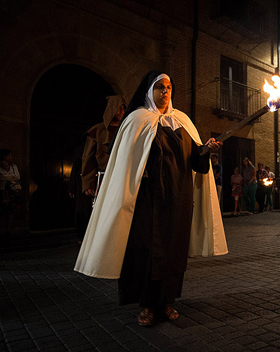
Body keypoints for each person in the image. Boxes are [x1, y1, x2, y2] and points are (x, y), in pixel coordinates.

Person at [74, 70, 228, 326]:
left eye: (168, 88)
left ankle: (166, 302)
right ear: (149, 92)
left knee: (173, 253)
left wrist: (207, 150)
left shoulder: (183, 122)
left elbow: (195, 162)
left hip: (177, 199)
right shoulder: (137, 120)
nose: (165, 92)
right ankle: (146, 304)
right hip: (146, 200)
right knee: (146, 251)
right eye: (159, 88)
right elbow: (126, 163)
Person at [82, 95, 126, 198]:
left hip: (124, 179)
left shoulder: (126, 129)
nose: (121, 111)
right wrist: (88, 184)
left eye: (123, 108)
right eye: (118, 108)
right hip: (104, 180)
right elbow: (87, 158)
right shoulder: (98, 130)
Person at [0, 149, 22, 237]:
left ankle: (8, 229)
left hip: (12, 190)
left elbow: (17, 176)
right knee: (2, 209)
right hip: (2, 190)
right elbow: (2, 177)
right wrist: (11, 176)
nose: (11, 157)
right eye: (9, 155)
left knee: (10, 210)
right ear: (4, 157)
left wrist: (8, 177)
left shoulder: (13, 166)